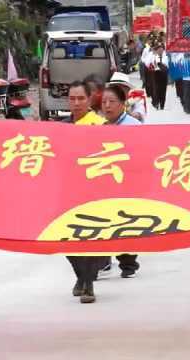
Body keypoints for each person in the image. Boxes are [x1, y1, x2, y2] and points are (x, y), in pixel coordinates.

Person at [64, 81, 111, 303]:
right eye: (72, 99)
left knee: (91, 239)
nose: (76, 103)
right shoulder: (61, 126)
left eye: (80, 98)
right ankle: (81, 276)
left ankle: (88, 283)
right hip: (67, 191)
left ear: (90, 99)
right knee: (65, 239)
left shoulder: (100, 125)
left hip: (94, 189)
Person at [101, 85, 142, 278]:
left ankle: (128, 263)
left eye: (112, 102)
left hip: (129, 183)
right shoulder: (101, 128)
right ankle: (103, 261)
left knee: (125, 223)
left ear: (123, 104)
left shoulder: (133, 127)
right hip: (107, 183)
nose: (107, 106)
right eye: (104, 102)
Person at [146, 44, 169, 110]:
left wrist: (162, 65)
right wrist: (153, 57)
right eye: (159, 50)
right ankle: (156, 103)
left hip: (164, 75)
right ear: (157, 50)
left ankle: (162, 105)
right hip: (155, 74)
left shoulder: (165, 57)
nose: (160, 51)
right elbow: (147, 63)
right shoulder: (153, 56)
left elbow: (167, 66)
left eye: (162, 50)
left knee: (163, 90)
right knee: (156, 89)